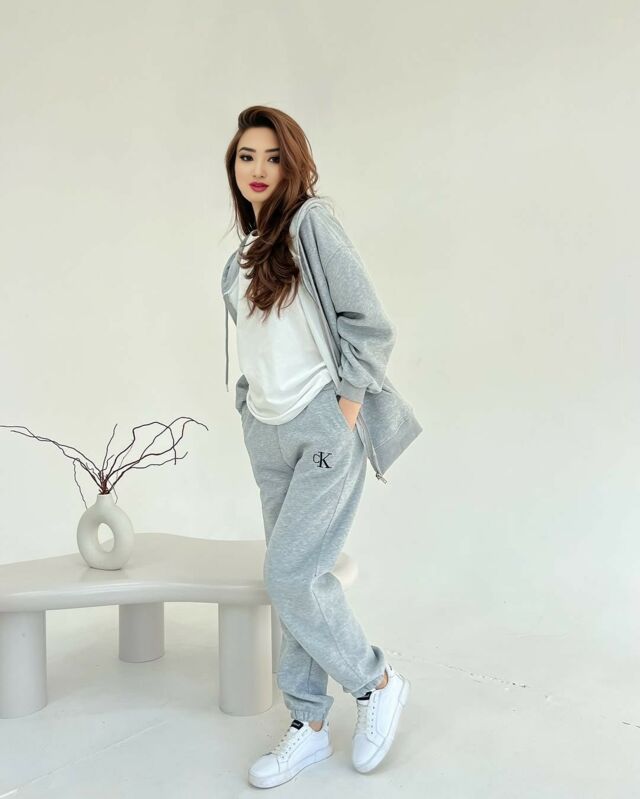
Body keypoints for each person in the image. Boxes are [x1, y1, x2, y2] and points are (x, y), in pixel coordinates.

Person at [220, 106, 422, 789]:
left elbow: (370, 321)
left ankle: (376, 683)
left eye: (273, 156)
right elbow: (261, 346)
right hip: (266, 430)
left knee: (288, 575)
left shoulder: (311, 225)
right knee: (296, 577)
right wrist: (248, 405)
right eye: (247, 156)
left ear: (294, 163)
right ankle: (307, 724)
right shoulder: (241, 257)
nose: (258, 169)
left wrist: (347, 407)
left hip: (324, 424)